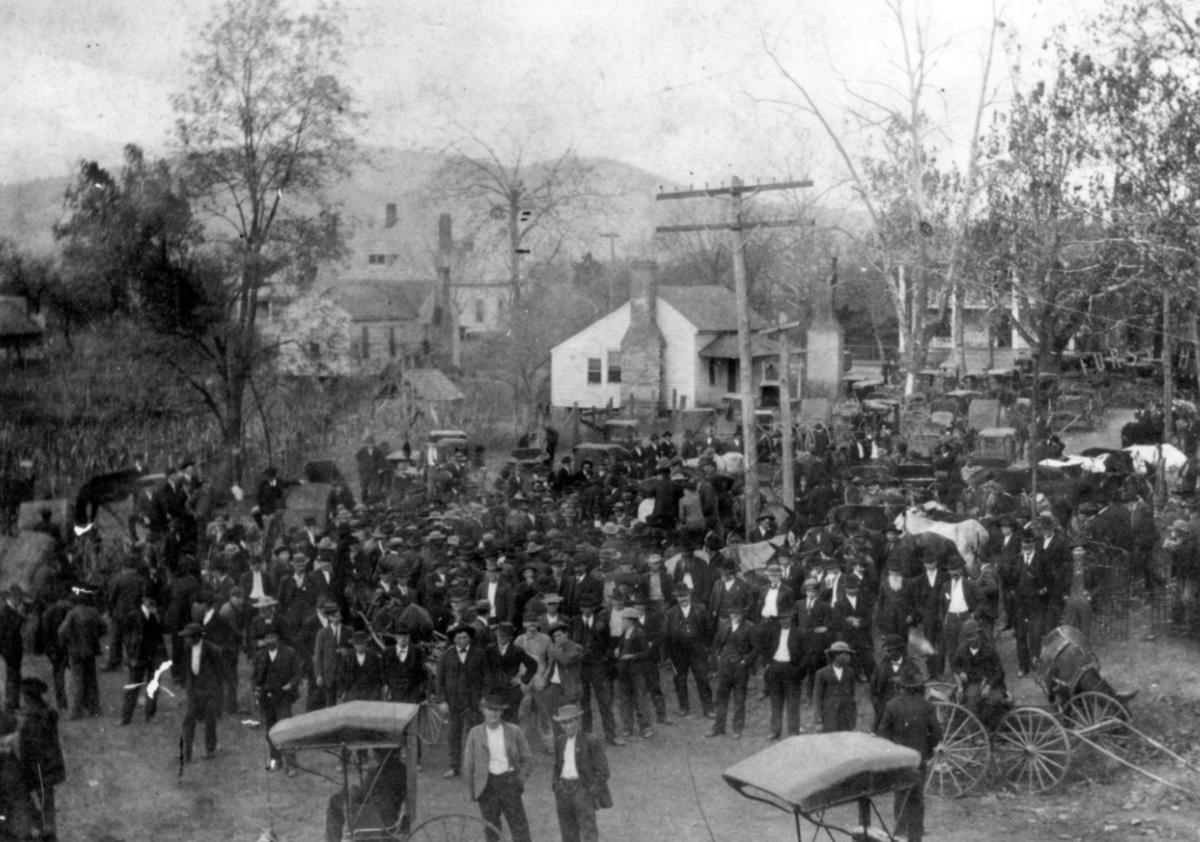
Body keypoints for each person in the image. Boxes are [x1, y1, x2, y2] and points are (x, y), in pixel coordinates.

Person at [877, 667, 942, 842]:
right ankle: (916, 834)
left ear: (902, 687)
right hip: (918, 757)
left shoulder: (892, 705)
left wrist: (893, 751)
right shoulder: (926, 705)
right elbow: (937, 734)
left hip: (899, 759)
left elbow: (882, 733)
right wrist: (926, 750)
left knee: (900, 795)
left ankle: (900, 831)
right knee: (917, 796)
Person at [463, 694, 534, 842]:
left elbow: (527, 759)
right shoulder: (475, 733)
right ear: (483, 711)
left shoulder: (514, 731)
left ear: (502, 712)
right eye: (490, 709)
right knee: (491, 830)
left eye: (497, 710)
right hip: (486, 786)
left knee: (519, 827)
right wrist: (473, 792)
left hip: (508, 783)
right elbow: (469, 765)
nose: (493, 714)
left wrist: (519, 780)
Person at [551, 703, 612, 842]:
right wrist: (556, 784)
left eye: (571, 721)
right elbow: (556, 766)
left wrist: (591, 791)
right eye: (564, 723)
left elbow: (603, 771)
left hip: (582, 789)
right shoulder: (560, 741)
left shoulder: (590, 740)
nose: (568, 726)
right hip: (563, 789)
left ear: (577, 721)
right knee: (567, 830)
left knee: (588, 829)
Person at [17, 677, 66, 841]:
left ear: (28, 698)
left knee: (27, 801)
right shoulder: (49, 714)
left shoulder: (29, 721)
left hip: (34, 769)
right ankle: (49, 833)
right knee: (47, 803)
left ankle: (41, 831)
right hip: (49, 768)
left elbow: (27, 750)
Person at [324, 748, 408, 842]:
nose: (374, 755)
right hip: (390, 817)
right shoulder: (404, 771)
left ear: (380, 755)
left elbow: (363, 796)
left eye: (375, 752)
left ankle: (332, 840)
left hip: (374, 816)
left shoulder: (376, 773)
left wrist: (353, 790)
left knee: (334, 801)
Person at [438, 623, 489, 779]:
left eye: (465, 637)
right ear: (454, 639)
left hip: (473, 703)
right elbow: (439, 680)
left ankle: (476, 767)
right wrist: (442, 701)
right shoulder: (446, 655)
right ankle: (454, 767)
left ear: (470, 639)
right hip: (453, 703)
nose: (461, 640)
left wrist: (484, 697)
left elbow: (487, 678)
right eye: (458, 638)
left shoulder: (479, 655)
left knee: (475, 734)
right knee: (453, 735)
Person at [704, 597, 757, 740]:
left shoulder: (750, 627)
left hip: (740, 669)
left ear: (743, 613)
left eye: (738, 613)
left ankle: (737, 729)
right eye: (732, 613)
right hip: (725, 667)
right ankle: (718, 727)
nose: (735, 615)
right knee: (721, 698)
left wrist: (745, 661)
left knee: (739, 700)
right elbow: (716, 643)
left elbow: (756, 649)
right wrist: (718, 656)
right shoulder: (724, 625)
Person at [253, 623, 301, 775]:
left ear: (278, 638)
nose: (270, 640)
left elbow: (297, 674)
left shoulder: (289, 653)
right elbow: (254, 678)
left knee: (285, 730)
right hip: (266, 699)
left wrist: (290, 685)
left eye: (272, 637)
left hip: (283, 697)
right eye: (267, 638)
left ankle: (291, 764)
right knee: (270, 731)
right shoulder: (260, 656)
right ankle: (276, 761)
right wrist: (256, 689)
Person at [663, 583, 713, 719]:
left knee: (702, 678)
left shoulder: (701, 609)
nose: (683, 599)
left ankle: (708, 708)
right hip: (679, 652)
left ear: (689, 595)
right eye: (680, 597)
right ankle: (683, 707)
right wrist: (667, 656)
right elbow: (666, 635)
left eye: (684, 595)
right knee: (680, 680)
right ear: (676, 598)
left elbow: (709, 630)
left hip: (697, 651)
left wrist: (706, 647)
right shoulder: (671, 613)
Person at [179, 622, 226, 764]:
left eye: (188, 637)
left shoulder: (212, 649)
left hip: (209, 690)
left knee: (209, 719)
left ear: (197, 637)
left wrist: (216, 692)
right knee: (189, 718)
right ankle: (187, 753)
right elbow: (188, 669)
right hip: (194, 689)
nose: (186, 640)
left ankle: (209, 749)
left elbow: (220, 673)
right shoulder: (187, 648)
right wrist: (189, 687)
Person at [57, 585, 106, 719]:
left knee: (77, 681)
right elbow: (104, 627)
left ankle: (75, 711)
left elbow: (62, 631)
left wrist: (69, 640)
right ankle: (94, 708)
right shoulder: (93, 612)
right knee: (91, 680)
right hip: (91, 650)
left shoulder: (72, 613)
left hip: (76, 651)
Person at [120, 593, 167, 725]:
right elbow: (126, 637)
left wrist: (157, 616)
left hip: (154, 655)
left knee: (153, 685)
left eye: (152, 599)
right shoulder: (133, 615)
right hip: (138, 655)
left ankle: (150, 714)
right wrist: (130, 655)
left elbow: (165, 629)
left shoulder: (156, 614)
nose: (150, 602)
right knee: (133, 686)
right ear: (143, 600)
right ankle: (126, 717)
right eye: (148, 599)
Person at [813, 640, 858, 733]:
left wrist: (853, 718)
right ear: (836, 656)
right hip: (830, 716)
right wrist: (818, 720)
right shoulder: (822, 673)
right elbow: (817, 697)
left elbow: (852, 695)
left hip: (847, 716)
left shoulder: (850, 672)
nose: (848, 657)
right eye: (845, 654)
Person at [0, 585, 26, 712]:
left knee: (15, 676)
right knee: (13, 677)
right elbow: (12, 630)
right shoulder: (6, 611)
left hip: (13, 650)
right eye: (18, 598)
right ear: (12, 597)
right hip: (10, 650)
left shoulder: (9, 610)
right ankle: (10, 705)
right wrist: (21, 616)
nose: (20, 600)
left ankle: (13, 703)